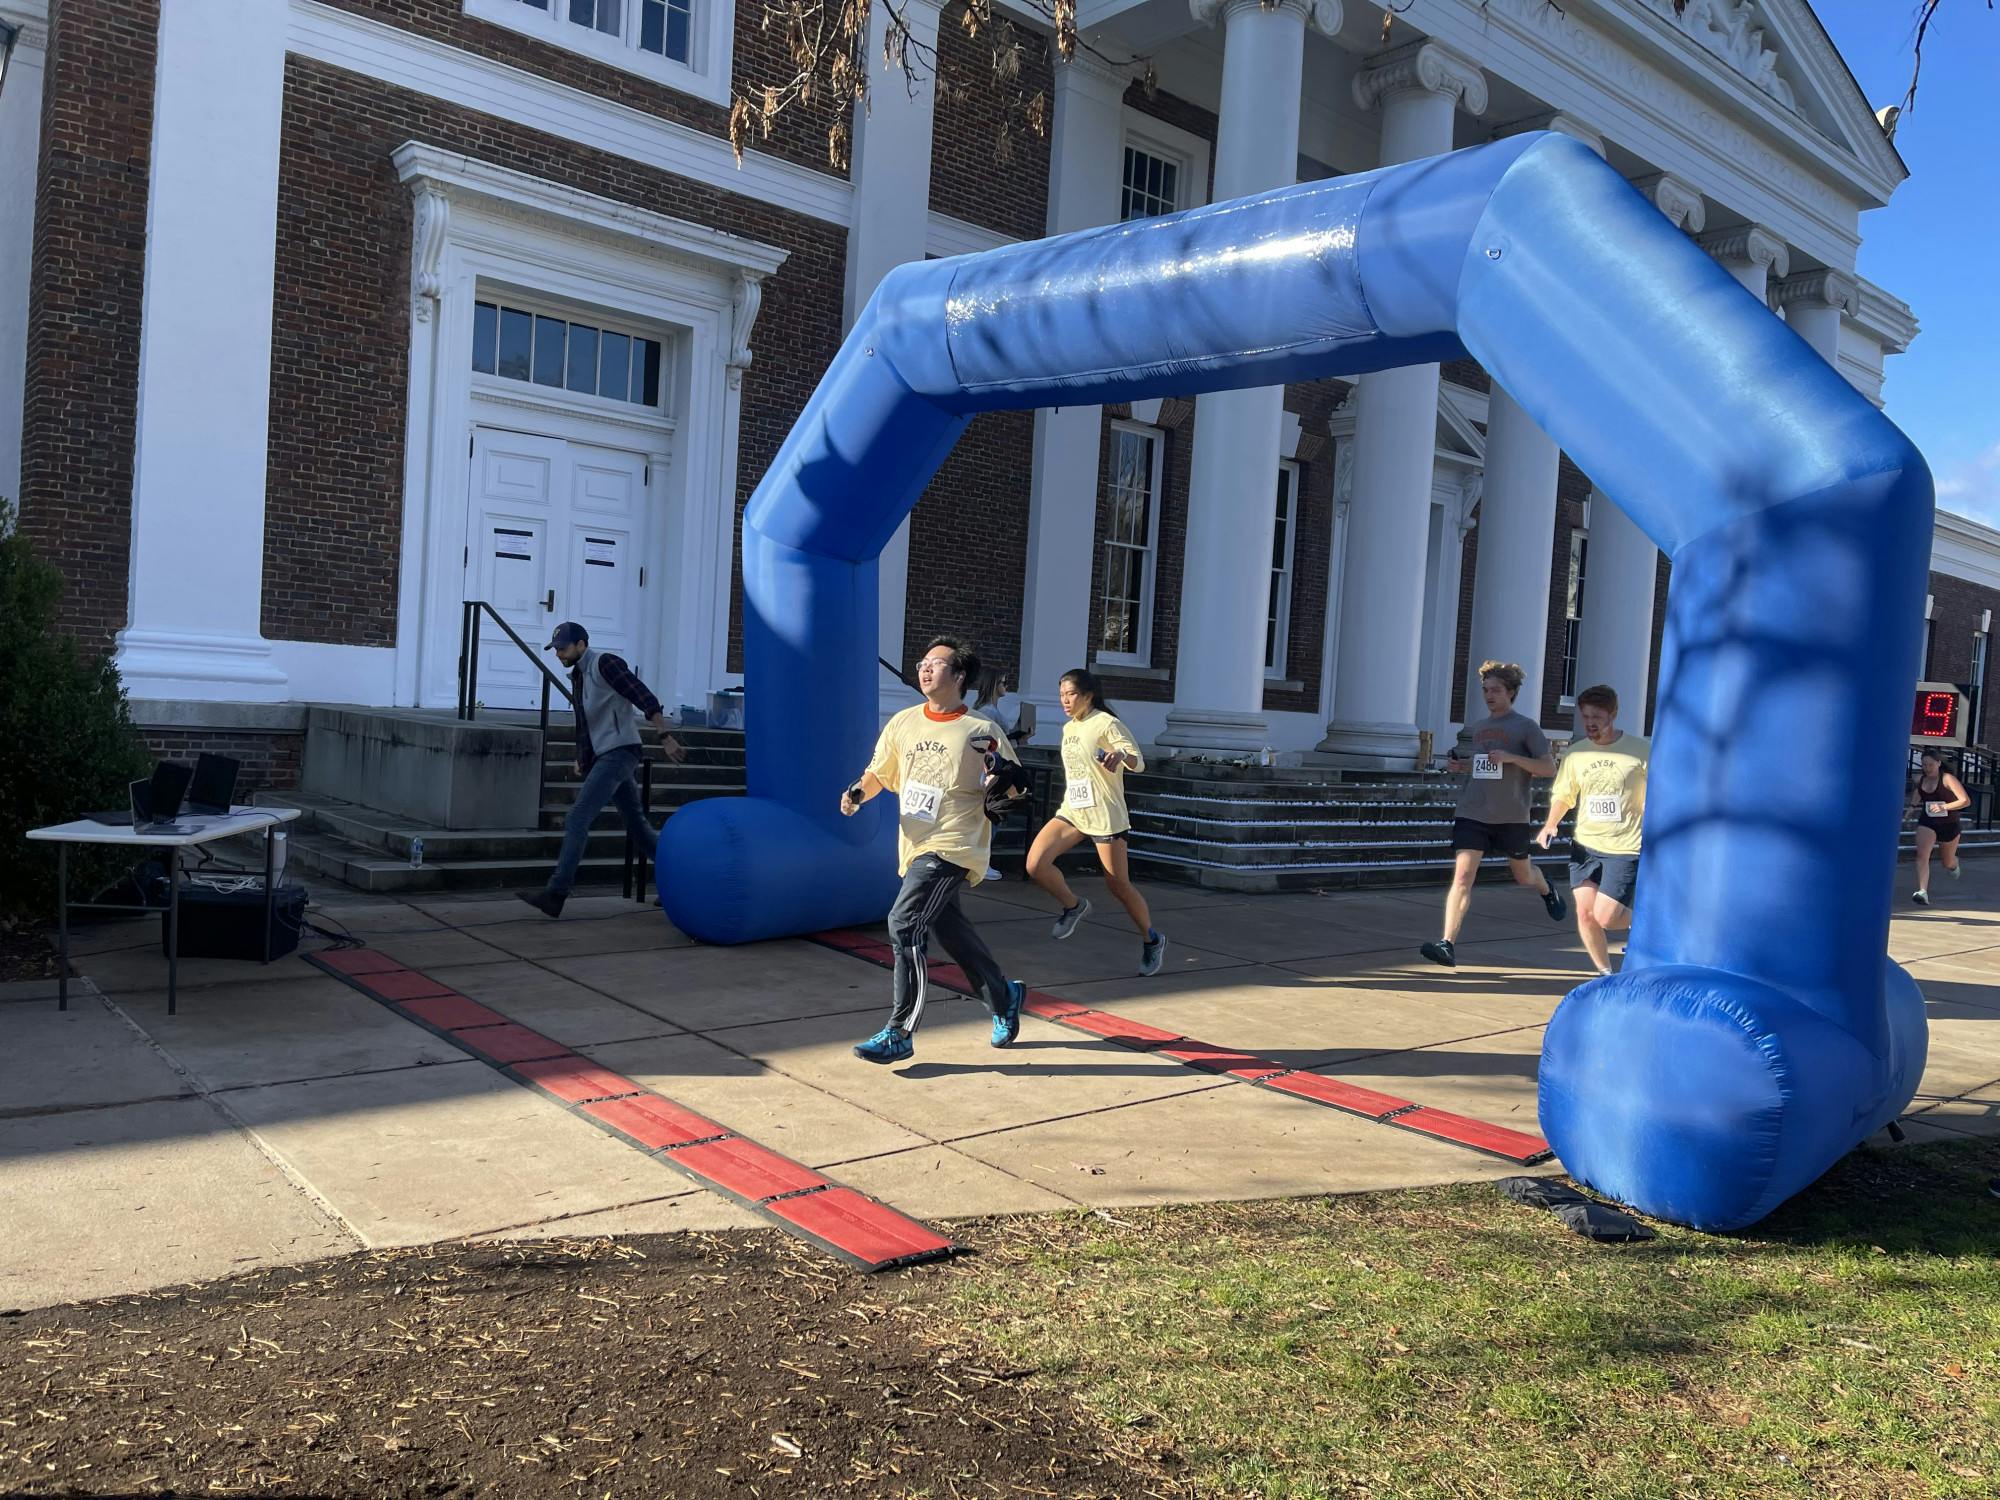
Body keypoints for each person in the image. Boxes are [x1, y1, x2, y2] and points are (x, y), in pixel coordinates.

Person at [842, 636, 1030, 1064]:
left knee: (904, 921)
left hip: (955, 845)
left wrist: (1001, 779)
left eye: (937, 663)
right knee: (951, 931)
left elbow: (1014, 785)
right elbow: (879, 772)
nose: (926, 669)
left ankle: (899, 1030)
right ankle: (1003, 996)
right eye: (923, 662)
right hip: (916, 844)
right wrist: (857, 791)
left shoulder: (982, 730)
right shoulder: (904, 722)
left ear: (959, 676)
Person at [516, 622, 685, 919]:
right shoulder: (579, 676)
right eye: (555, 649)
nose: (558, 654)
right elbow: (584, 722)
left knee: (578, 817)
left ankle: (556, 894)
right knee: (638, 828)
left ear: (582, 645)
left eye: (563, 648)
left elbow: (643, 696)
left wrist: (664, 736)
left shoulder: (605, 663)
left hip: (620, 753)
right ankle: (683, 884)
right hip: (605, 754)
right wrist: (582, 756)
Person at [1419, 660, 1566, 969]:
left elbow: (1548, 768)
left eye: (1496, 690)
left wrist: (1513, 757)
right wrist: (1463, 766)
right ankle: (1447, 944)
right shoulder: (1480, 727)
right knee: (1462, 876)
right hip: (1473, 810)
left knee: (1523, 875)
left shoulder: (1526, 727)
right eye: (1486, 690)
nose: (1489, 696)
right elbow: (1486, 766)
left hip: (1511, 814)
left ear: (1511, 692)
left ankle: (1547, 888)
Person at [1025, 668, 1167, 977]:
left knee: (1118, 885)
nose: (1065, 700)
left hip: (1105, 815)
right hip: (1074, 810)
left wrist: (1120, 756)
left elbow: (1138, 761)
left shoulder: (1106, 722)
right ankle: (1073, 905)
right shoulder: (1069, 728)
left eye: (1071, 694)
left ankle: (1151, 939)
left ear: (1088, 695)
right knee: (1035, 864)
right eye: (1061, 694)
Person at [1536, 683, 1648, 976]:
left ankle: (1652, 922)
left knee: (1607, 918)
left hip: (1624, 847)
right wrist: (1550, 824)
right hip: (1585, 846)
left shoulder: (1641, 750)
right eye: (1585, 716)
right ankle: (1605, 974)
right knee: (1585, 915)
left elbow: (1658, 792)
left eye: (1597, 716)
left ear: (1612, 714)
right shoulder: (1576, 754)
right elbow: (1564, 793)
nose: (1590, 723)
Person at [1908, 746, 1969, 906]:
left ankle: (1954, 864)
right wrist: (1912, 808)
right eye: (1924, 765)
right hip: (1928, 822)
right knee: (1922, 855)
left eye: (1930, 765)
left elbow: (1965, 801)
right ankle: (1922, 891)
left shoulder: (1947, 779)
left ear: (1938, 763)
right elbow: (1918, 792)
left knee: (1946, 862)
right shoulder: (1921, 779)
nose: (1927, 768)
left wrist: (1944, 807)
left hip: (1949, 824)